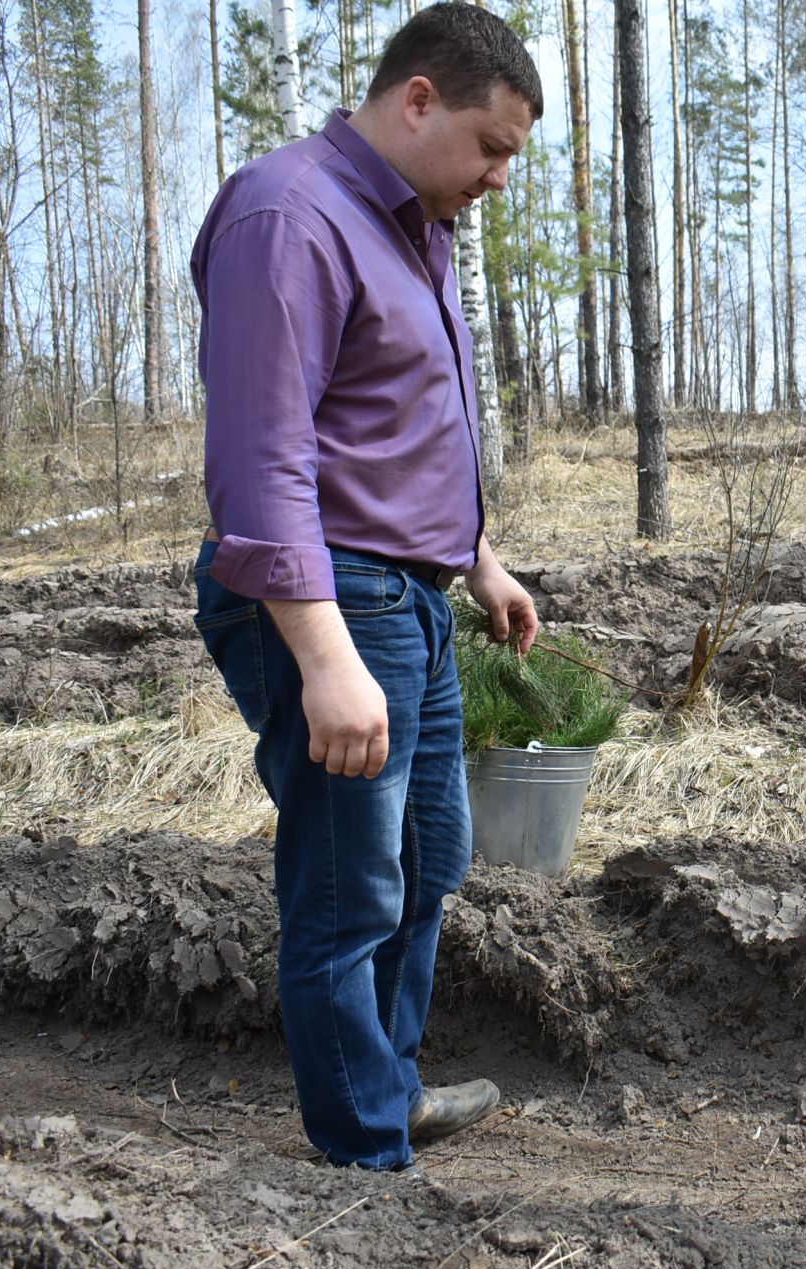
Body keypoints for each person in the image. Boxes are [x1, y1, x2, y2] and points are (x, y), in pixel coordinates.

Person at [188, 2, 544, 1172]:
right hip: (329, 599)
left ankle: (384, 1090)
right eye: (491, 148)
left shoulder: (415, 228)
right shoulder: (289, 213)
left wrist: (475, 558)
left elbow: (389, 428)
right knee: (351, 881)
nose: (497, 178)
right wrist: (323, 652)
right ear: (419, 100)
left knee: (429, 854)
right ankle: (361, 1151)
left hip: (406, 593)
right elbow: (266, 455)